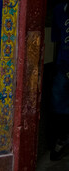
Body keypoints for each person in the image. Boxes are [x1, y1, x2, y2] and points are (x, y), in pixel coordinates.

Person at [50, 1, 69, 161]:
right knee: (58, 101)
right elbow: (56, 40)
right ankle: (62, 139)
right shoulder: (59, 11)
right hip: (64, 65)